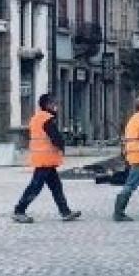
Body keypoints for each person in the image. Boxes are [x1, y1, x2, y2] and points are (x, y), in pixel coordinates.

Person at [13, 93, 81, 224]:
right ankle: (19, 210)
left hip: (43, 159)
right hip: (45, 159)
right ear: (47, 105)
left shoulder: (37, 118)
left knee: (56, 186)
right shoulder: (47, 119)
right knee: (35, 187)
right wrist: (62, 145)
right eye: (54, 104)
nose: (56, 106)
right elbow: (55, 138)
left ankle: (65, 211)